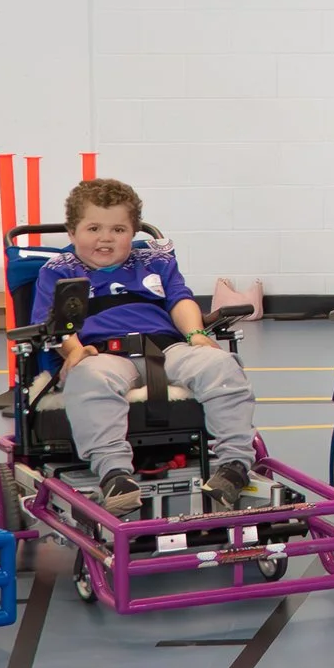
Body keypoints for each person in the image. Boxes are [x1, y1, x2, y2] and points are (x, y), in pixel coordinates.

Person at [31, 178, 257, 516]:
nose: (105, 238)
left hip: (165, 349)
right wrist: (73, 352)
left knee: (220, 364)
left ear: (133, 232)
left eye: (118, 229)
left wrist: (195, 333)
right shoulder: (58, 272)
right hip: (101, 353)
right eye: (93, 228)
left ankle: (234, 465)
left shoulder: (155, 262)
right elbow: (56, 323)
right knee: (89, 377)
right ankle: (115, 473)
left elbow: (180, 300)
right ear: (72, 232)